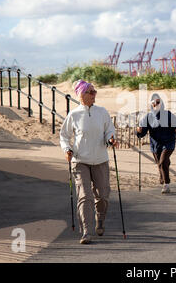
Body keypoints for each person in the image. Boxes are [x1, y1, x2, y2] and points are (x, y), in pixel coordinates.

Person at [60, 80, 118, 244]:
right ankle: (86, 231)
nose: (94, 95)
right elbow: (64, 135)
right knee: (85, 196)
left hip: (100, 160)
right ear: (81, 95)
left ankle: (100, 219)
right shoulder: (74, 114)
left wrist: (111, 139)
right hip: (80, 161)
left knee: (103, 196)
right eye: (90, 92)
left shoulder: (102, 112)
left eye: (94, 91)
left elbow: (109, 131)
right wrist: (66, 149)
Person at [136, 93, 176, 194]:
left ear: (161, 103)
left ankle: (166, 184)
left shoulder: (168, 114)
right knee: (161, 163)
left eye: (158, 102)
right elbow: (142, 131)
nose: (156, 104)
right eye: (154, 103)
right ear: (151, 105)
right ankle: (164, 175)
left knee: (162, 162)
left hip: (168, 143)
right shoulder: (148, 117)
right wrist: (139, 131)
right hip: (155, 145)